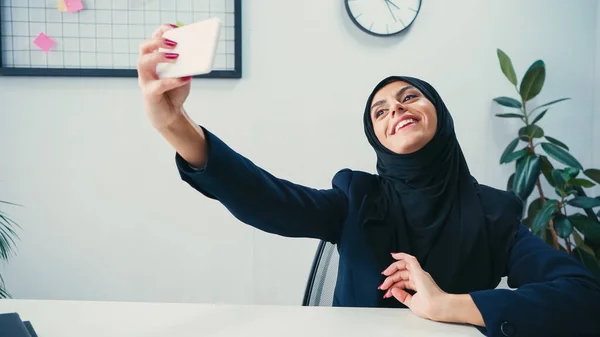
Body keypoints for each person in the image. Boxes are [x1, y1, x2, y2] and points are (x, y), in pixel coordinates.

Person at [137, 24, 600, 337]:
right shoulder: (357, 198)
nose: (396, 109)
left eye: (409, 97)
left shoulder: (495, 212)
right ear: (376, 136)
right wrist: (174, 125)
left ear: (439, 113)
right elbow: (267, 199)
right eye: (381, 111)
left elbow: (583, 297)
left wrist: (447, 305)